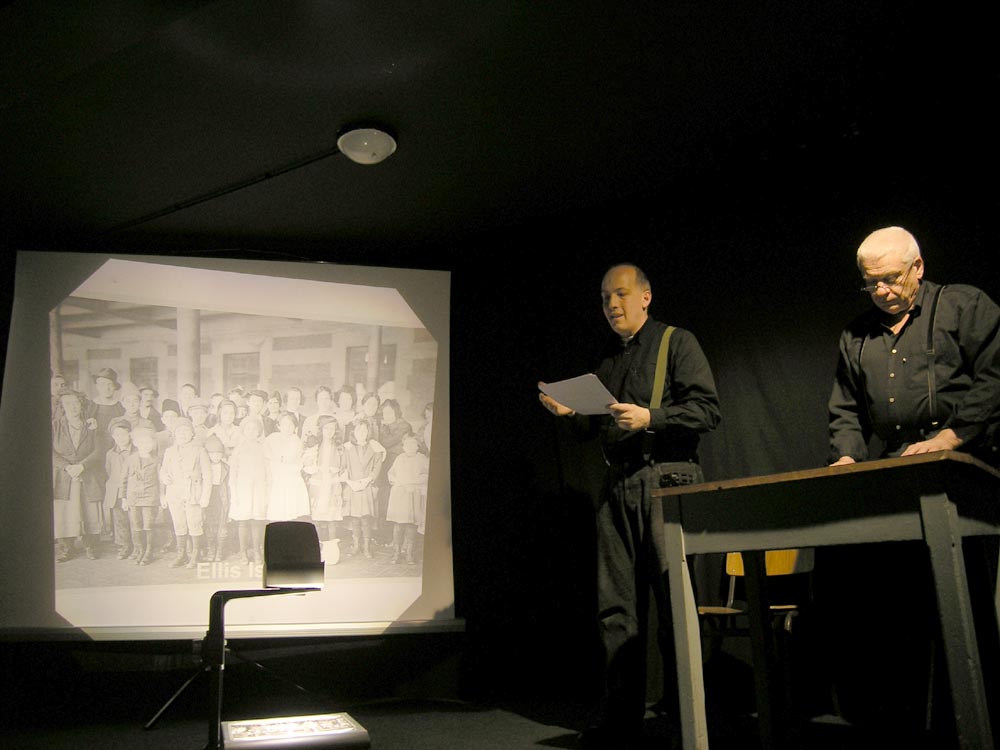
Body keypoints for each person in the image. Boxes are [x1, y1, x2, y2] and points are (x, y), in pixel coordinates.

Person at [537, 262, 721, 749]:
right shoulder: (608, 358)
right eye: (604, 298)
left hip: (667, 479)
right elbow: (596, 426)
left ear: (645, 296)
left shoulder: (676, 343)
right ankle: (621, 721)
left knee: (674, 604)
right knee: (616, 608)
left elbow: (707, 411)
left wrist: (651, 417)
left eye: (620, 294)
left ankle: (687, 719)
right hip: (618, 484)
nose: (611, 305)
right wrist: (570, 412)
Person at [822, 225, 1000, 729]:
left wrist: (953, 436)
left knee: (968, 607)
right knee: (896, 607)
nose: (880, 291)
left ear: (917, 267)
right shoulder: (856, 335)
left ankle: (975, 719)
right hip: (902, 473)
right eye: (870, 282)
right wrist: (848, 456)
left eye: (891, 279)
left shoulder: (964, 307)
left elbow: (994, 377)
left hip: (970, 466)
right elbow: (846, 410)